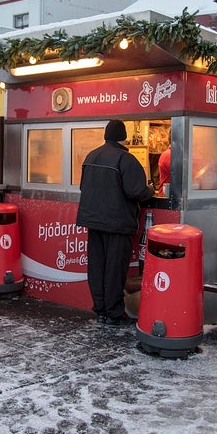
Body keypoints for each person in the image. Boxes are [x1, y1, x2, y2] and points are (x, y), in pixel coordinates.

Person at [76, 120, 154, 326]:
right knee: (114, 269)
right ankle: (114, 313)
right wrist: (151, 190)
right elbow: (137, 191)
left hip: (93, 221)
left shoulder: (91, 156)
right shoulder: (125, 159)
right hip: (117, 223)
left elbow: (83, 187)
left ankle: (100, 310)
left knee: (97, 267)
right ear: (123, 136)